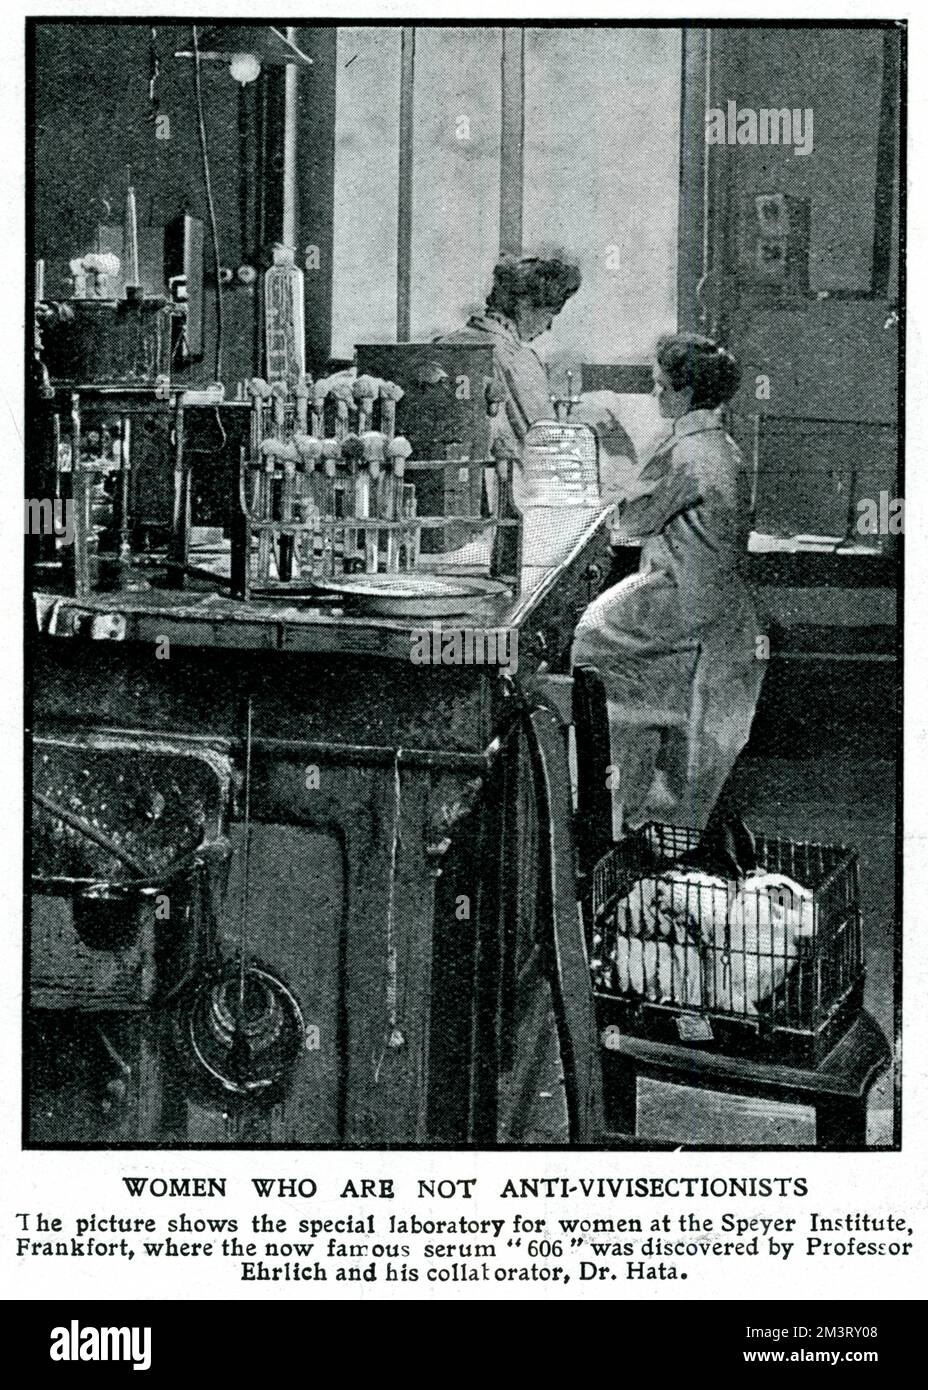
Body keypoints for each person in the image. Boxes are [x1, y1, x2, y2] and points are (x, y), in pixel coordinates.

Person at [571, 332, 765, 836]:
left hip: (686, 605)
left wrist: (606, 468)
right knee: (680, 746)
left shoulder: (688, 453)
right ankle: (637, 822)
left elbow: (632, 522)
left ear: (682, 394)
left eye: (660, 387)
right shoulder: (719, 445)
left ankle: (614, 822)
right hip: (714, 608)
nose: (655, 396)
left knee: (589, 638)